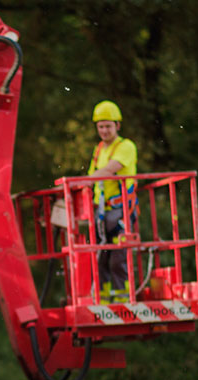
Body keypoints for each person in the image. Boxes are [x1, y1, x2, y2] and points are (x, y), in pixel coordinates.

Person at [87, 100, 138, 304]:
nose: (104, 130)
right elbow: (93, 176)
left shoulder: (125, 146)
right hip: (102, 212)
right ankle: (105, 298)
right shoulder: (99, 149)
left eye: (108, 125)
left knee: (118, 256)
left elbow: (108, 170)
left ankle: (123, 297)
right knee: (102, 255)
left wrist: (82, 180)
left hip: (121, 210)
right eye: (101, 126)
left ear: (117, 125)